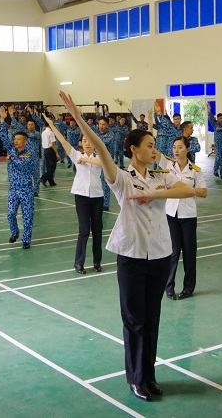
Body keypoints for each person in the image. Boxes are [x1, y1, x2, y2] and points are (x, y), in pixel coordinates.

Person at [60, 91, 195, 402]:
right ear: (134, 150)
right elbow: (101, 149)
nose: (154, 149)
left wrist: (156, 195)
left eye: (154, 145)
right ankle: (136, 379)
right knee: (135, 320)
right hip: (132, 256)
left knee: (152, 319)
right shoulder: (121, 178)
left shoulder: (161, 177)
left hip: (159, 254)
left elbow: (188, 190)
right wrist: (78, 118)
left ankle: (149, 375)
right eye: (148, 145)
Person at [44, 113, 104, 273]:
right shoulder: (76, 155)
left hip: (97, 196)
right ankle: (79, 263)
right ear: (81, 143)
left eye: (90, 141)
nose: (87, 143)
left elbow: (103, 163)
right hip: (81, 196)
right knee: (84, 230)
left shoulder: (100, 156)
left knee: (97, 230)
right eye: (84, 141)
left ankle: (97, 262)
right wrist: (52, 125)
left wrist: (86, 160)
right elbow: (63, 141)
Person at [158, 136, 208, 300]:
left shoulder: (195, 170)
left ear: (188, 149)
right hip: (170, 214)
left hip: (188, 216)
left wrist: (187, 190)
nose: (176, 150)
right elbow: (154, 153)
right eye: (174, 147)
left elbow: (204, 192)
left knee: (189, 253)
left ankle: (188, 288)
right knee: (172, 252)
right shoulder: (168, 165)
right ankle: (169, 287)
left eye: (180, 147)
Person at [0, 107, 36, 246]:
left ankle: (26, 239)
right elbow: (3, 136)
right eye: (15, 139)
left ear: (24, 141)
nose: (15, 141)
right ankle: (14, 233)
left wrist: (12, 158)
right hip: (13, 189)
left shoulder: (29, 152)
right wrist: (3, 120)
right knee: (10, 214)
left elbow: (23, 164)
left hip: (26, 189)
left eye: (18, 139)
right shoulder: (11, 150)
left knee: (27, 215)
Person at [39, 119, 59, 187]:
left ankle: (51, 182)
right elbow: (53, 144)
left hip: (45, 150)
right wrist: (57, 153)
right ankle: (43, 178)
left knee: (48, 166)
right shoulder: (51, 133)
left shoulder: (43, 132)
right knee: (53, 166)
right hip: (50, 150)